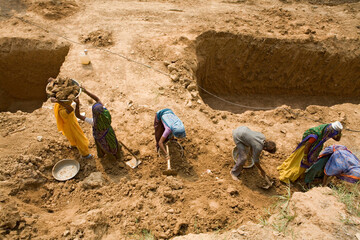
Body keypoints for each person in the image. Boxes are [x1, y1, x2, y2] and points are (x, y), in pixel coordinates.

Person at [277, 121, 343, 184]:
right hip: (305, 151)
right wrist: (305, 158)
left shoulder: (326, 130)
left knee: (297, 164)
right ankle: (286, 178)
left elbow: (337, 139)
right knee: (298, 166)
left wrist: (339, 132)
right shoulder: (315, 136)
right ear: (331, 131)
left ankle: (293, 175)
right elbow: (307, 146)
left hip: (313, 149)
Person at [74, 87, 122, 161]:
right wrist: (86, 91)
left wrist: (77, 104)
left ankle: (111, 158)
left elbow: (78, 115)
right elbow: (97, 99)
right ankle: (117, 154)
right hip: (109, 132)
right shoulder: (106, 112)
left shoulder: (94, 122)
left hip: (101, 137)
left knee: (105, 146)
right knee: (112, 143)